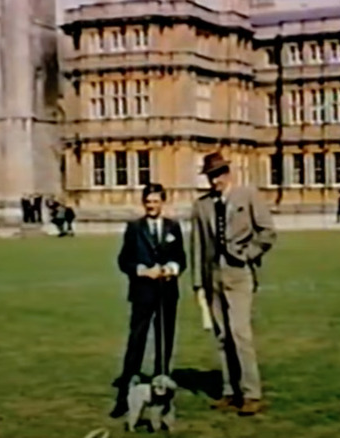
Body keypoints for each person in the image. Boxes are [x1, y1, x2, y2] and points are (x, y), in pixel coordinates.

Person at [191, 151, 276, 416]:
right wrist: (198, 283)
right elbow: (197, 246)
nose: (215, 181)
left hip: (239, 274)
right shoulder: (201, 205)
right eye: (211, 176)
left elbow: (267, 232)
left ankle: (252, 393)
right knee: (222, 336)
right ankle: (230, 391)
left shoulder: (248, 196)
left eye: (218, 175)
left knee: (240, 334)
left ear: (228, 173)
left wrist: (247, 254)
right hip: (212, 275)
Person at [110, 183, 186, 419]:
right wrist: (142, 270)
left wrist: (171, 268)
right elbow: (124, 260)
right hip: (143, 292)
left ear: (163, 202)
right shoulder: (134, 228)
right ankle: (124, 397)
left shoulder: (173, 226)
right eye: (148, 202)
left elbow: (181, 258)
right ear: (143, 203)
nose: (152, 206)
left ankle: (161, 396)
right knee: (136, 342)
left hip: (167, 292)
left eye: (156, 201)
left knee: (165, 343)